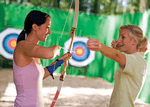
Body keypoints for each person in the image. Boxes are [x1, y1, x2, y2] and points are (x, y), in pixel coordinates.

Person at [13, 10, 72, 107]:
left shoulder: (32, 50)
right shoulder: (22, 46)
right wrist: (55, 48)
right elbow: (50, 53)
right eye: (47, 27)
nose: (49, 32)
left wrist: (61, 60)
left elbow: (42, 74)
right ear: (35, 27)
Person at [86, 24, 148, 107]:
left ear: (134, 42)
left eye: (123, 37)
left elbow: (116, 56)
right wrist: (117, 49)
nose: (118, 40)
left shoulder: (138, 60)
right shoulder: (131, 59)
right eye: (119, 37)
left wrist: (101, 46)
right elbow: (117, 56)